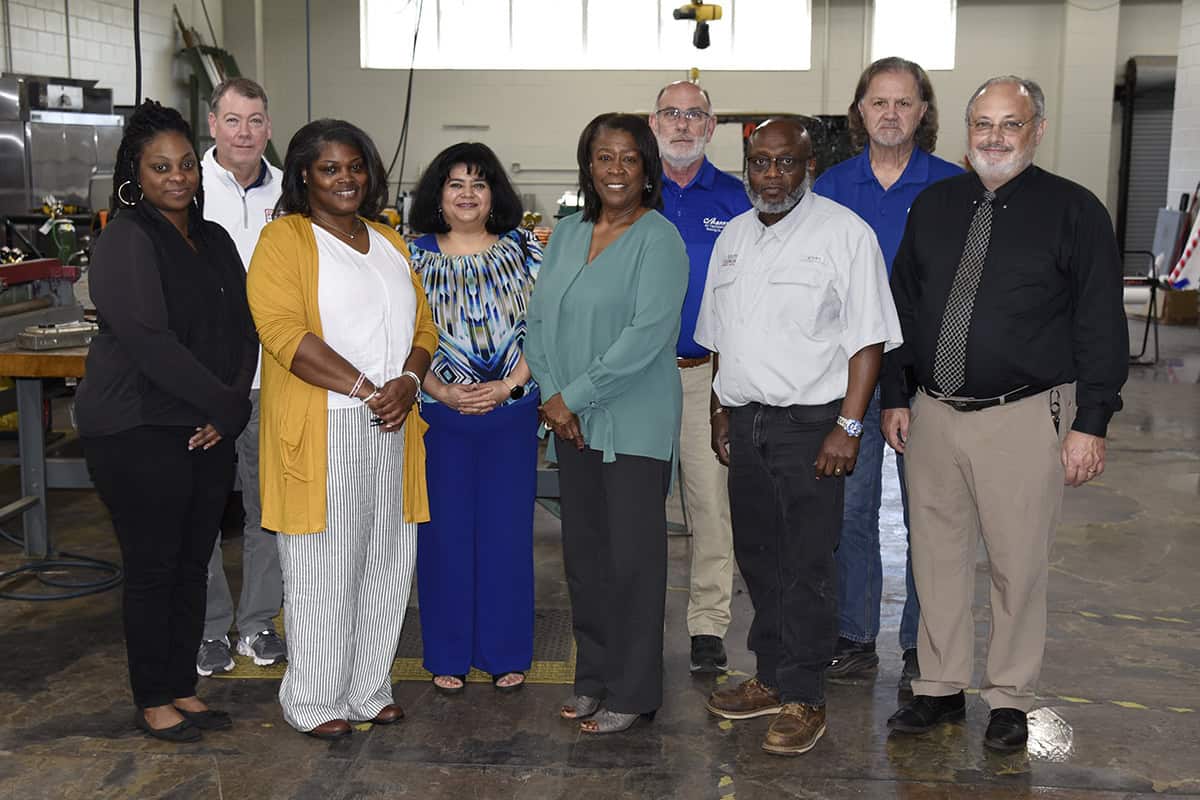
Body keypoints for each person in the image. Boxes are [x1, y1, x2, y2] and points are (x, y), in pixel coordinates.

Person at [881, 77, 1128, 753]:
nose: (993, 137)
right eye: (982, 124)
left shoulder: (1075, 212)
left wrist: (1092, 421)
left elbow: (1102, 323)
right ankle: (939, 687)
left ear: (1037, 130)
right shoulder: (934, 205)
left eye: (1009, 124)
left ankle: (1011, 698)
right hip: (932, 414)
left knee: (1018, 565)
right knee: (935, 558)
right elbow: (902, 306)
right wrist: (897, 394)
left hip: (1022, 417)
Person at [697, 118, 902, 756]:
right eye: (761, 163)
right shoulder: (731, 237)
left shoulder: (844, 234)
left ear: (808, 165)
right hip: (747, 419)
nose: (773, 175)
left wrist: (848, 424)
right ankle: (767, 675)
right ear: (746, 165)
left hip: (814, 425)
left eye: (787, 163)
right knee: (758, 555)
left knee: (807, 562)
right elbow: (720, 338)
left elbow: (868, 341)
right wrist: (718, 410)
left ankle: (806, 694)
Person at [246, 119, 438, 739]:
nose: (346, 178)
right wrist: (366, 389)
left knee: (386, 562)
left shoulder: (389, 241)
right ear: (304, 175)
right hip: (324, 427)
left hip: (393, 425)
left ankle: (367, 688)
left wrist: (407, 384)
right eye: (330, 168)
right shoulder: (286, 239)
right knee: (321, 568)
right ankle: (315, 700)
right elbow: (281, 332)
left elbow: (423, 330)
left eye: (355, 166)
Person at [76, 100, 258, 742]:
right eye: (161, 167)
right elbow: (149, 342)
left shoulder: (210, 239)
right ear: (137, 173)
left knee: (192, 564)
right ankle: (153, 696)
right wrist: (223, 406)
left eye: (185, 164)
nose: (178, 177)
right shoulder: (127, 237)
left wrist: (226, 407)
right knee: (155, 568)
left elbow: (244, 328)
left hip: (204, 423)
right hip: (136, 428)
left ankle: (182, 684)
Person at [524, 112, 688, 734]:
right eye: (603, 157)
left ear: (646, 167)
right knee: (585, 559)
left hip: (633, 426)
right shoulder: (566, 234)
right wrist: (552, 393)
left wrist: (576, 396)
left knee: (634, 563)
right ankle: (592, 677)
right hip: (569, 422)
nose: (615, 169)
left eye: (628, 158)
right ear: (587, 166)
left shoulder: (659, 239)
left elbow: (646, 337)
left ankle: (635, 690)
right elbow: (539, 322)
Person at [812, 57, 963, 689]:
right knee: (851, 510)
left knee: (930, 515)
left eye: (905, 103)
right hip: (849, 376)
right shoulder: (829, 188)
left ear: (923, 112)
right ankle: (854, 635)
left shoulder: (954, 186)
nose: (891, 114)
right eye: (880, 103)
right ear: (860, 112)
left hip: (927, 378)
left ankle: (920, 643)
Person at [407, 142, 542, 696]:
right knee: (443, 539)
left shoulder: (527, 251)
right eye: (456, 184)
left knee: (507, 537)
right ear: (438, 195)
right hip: (440, 417)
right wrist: (440, 389)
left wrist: (508, 384)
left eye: (479, 184)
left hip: (511, 414)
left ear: (495, 196)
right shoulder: (407, 255)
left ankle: (505, 651)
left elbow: (549, 324)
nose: (467, 194)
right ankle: (448, 653)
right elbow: (397, 332)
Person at [649, 80, 750, 675]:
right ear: (653, 122)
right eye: (672, 113)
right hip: (636, 378)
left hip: (707, 378)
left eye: (695, 115)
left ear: (712, 127)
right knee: (636, 506)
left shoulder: (739, 200)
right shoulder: (629, 195)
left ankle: (708, 626)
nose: (683, 124)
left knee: (711, 506)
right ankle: (636, 617)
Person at [196, 77, 287, 676]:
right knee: (200, 510)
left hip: (275, 380)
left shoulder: (291, 191)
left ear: (269, 128)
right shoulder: (187, 186)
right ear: (212, 124)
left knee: (267, 510)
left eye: (255, 121)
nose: (244, 133)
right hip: (205, 382)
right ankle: (208, 630)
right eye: (233, 121)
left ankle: (257, 626)